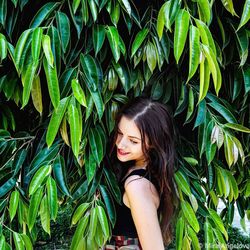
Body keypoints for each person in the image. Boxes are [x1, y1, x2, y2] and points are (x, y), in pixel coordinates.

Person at [105, 97, 177, 250]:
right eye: (119, 133)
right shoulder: (139, 168)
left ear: (153, 143)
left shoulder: (137, 186)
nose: (121, 143)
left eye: (133, 141)